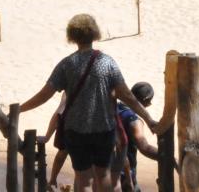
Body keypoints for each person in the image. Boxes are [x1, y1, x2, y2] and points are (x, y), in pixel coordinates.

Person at [19, 14, 159, 192]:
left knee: (83, 180)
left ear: (73, 37)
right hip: (104, 131)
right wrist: (148, 119)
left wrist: (19, 110)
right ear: (95, 34)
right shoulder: (108, 63)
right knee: (103, 176)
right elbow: (128, 96)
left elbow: (44, 95)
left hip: (76, 132)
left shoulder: (67, 64)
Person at [112, 82, 158, 192]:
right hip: (124, 172)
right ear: (145, 99)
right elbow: (144, 148)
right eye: (149, 101)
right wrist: (165, 156)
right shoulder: (134, 120)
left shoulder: (115, 107)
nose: (150, 104)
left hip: (103, 166)